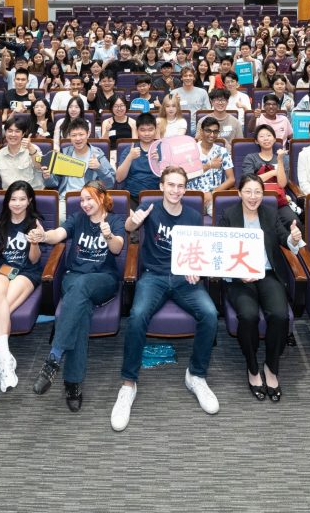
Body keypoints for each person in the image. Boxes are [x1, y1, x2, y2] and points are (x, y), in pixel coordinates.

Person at [110, 166, 219, 431]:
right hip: (154, 276)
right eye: (170, 185)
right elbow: (128, 227)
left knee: (210, 314)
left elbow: (203, 253)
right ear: (161, 186)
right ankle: (128, 384)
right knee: (136, 317)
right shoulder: (149, 208)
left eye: (180, 186)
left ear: (185, 189)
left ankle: (196, 375)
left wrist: (197, 269)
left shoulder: (194, 216)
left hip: (183, 278)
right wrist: (134, 221)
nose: (175, 190)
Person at [30, 181, 126, 412]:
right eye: (82, 200)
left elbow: (117, 247)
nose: (84, 204)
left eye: (89, 198)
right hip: (74, 280)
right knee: (80, 314)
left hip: (104, 280)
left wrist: (109, 235)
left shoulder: (115, 220)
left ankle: (54, 356)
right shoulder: (77, 218)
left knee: (81, 289)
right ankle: (72, 384)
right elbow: (58, 234)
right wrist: (44, 236)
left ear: (102, 198)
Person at [218, 174, 304, 401]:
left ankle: (271, 365)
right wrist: (238, 273)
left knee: (279, 315)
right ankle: (252, 366)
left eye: (258, 192)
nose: (253, 197)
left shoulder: (270, 213)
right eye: (248, 191)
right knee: (247, 316)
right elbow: (220, 251)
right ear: (239, 193)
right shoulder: (229, 215)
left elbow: (285, 238)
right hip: (240, 276)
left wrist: (294, 239)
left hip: (266, 273)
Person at [0, 181, 43, 404]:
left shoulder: (34, 223)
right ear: (7, 201)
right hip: (1, 269)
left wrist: (34, 242)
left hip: (26, 272)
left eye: (22, 199)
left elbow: (34, 260)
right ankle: (6, 360)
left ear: (29, 201)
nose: (17, 203)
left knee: (0, 307)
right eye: (13, 199)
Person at [46, 119, 115, 217]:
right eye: (73, 135)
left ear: (88, 133)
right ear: (69, 136)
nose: (78, 139)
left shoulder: (98, 154)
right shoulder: (64, 154)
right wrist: (48, 176)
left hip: (91, 199)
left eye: (81, 134)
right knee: (60, 219)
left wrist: (99, 168)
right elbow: (54, 182)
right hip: (66, 198)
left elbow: (110, 183)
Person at [241, 125, 297, 229]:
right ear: (256, 141)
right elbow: (248, 181)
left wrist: (280, 160)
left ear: (274, 139)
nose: (266, 138)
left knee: (293, 221)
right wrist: (272, 173)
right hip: (255, 199)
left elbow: (282, 184)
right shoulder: (251, 158)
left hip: (278, 200)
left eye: (269, 135)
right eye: (262, 136)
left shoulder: (282, 159)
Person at [0, 119, 46, 198]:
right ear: (5, 133)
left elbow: (40, 166)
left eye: (17, 131)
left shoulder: (33, 149)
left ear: (23, 134)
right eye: (10, 131)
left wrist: (31, 149)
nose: (13, 134)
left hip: (32, 197)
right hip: (9, 199)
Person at [186, 116, 234, 215]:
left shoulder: (222, 151)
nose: (212, 135)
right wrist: (209, 165)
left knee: (222, 218)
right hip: (192, 195)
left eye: (215, 132)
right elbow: (184, 176)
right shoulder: (190, 150)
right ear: (201, 131)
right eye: (208, 131)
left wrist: (212, 193)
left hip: (213, 196)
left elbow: (231, 179)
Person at [115, 113, 160, 205]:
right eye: (142, 130)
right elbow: (119, 178)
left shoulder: (162, 149)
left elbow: (169, 179)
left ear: (155, 130)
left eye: (150, 130)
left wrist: (159, 163)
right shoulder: (129, 150)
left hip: (157, 197)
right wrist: (130, 158)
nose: (147, 134)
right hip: (132, 197)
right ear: (137, 131)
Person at [170, 67, 211, 135]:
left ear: (194, 77)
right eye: (185, 76)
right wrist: (175, 103)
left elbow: (207, 112)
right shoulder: (173, 93)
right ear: (181, 78)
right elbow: (169, 113)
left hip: (197, 125)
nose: (188, 78)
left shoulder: (203, 92)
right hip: (178, 124)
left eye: (190, 75)